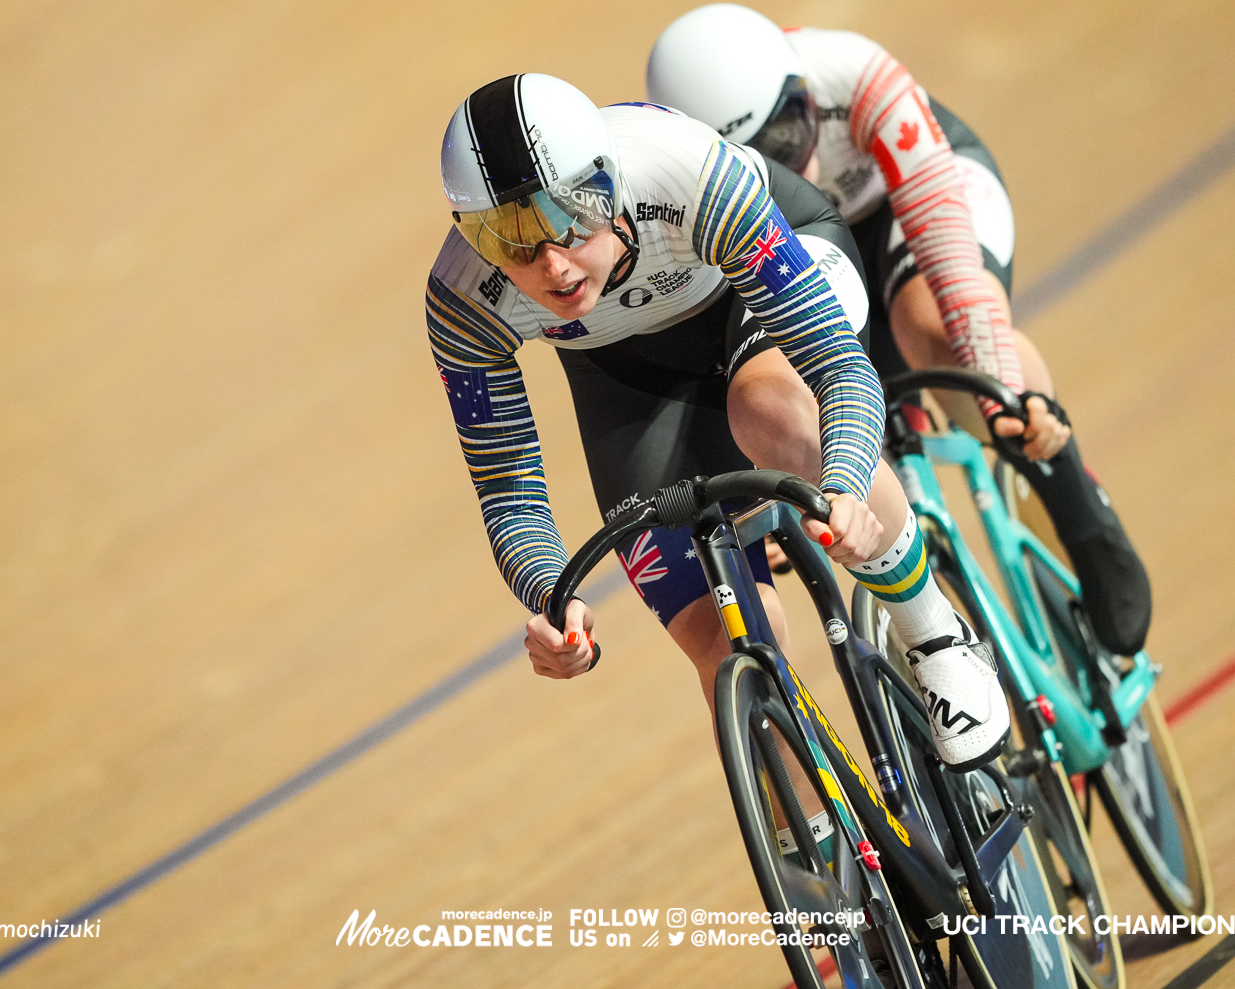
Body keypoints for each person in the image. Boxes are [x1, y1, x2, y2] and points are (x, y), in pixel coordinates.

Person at [427, 71, 1009, 770]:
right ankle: (819, 857)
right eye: (512, 242)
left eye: (565, 220)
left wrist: (847, 480)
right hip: (626, 375)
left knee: (767, 409)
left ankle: (936, 635)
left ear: (605, 186)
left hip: (759, 279)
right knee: (726, 644)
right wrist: (554, 598)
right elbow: (509, 487)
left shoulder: (682, 173)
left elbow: (837, 368)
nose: (551, 264)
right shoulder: (462, 300)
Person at [646, 4, 1152, 656]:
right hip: (785, 244)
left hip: (903, 200)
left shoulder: (853, 76)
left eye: (790, 136)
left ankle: (1077, 503)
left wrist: (995, 381)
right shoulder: (678, 182)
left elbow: (955, 272)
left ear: (804, 93)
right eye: (757, 160)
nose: (787, 169)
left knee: (934, 327)